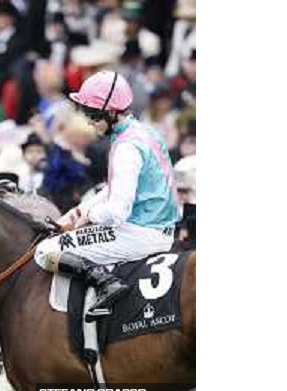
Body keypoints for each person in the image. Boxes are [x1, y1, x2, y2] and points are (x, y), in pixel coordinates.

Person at [33, 70, 180, 318]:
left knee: (44, 251)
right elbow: (113, 191)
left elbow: (116, 212)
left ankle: (106, 283)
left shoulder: (126, 147)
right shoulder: (145, 132)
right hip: (156, 228)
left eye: (93, 114)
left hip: (139, 234)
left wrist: (88, 214)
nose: (89, 121)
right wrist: (75, 213)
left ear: (112, 112)